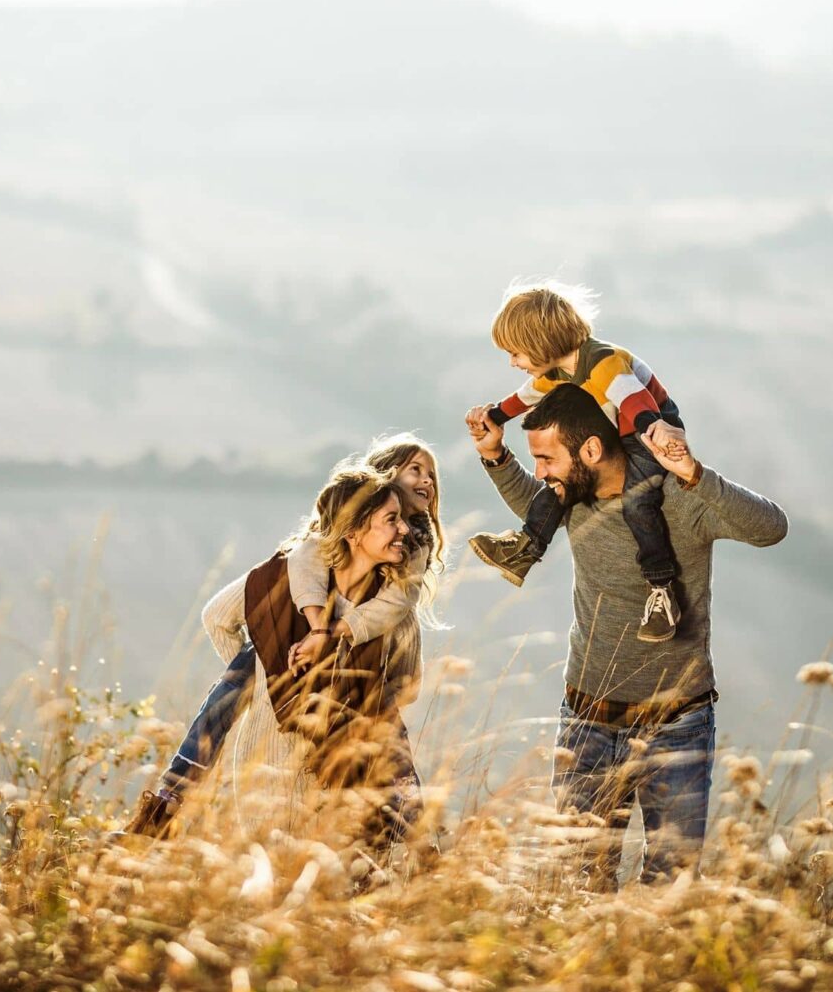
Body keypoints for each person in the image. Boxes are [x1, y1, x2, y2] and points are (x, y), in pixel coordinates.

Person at [467, 383, 787, 887]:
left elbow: (771, 528)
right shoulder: (573, 501)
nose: (543, 473)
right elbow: (532, 501)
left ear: (591, 450)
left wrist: (694, 474)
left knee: (669, 886)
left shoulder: (680, 505)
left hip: (676, 724)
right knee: (577, 883)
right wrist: (494, 455)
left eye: (547, 459)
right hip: (587, 719)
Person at [122, 444, 443, 849]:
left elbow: (406, 670)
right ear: (355, 527)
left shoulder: (399, 594)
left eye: (430, 475)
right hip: (277, 760)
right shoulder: (288, 573)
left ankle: (420, 845)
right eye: (390, 518)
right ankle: (171, 796)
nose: (426, 481)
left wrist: (325, 652)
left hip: (329, 768)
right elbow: (220, 616)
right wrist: (269, 673)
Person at [466, 282, 689, 642]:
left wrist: (658, 431)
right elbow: (523, 399)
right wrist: (494, 416)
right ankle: (526, 549)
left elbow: (635, 402)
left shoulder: (603, 363)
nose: (512, 362)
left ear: (541, 343)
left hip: (649, 432)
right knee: (561, 482)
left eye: (516, 353)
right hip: (613, 432)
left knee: (638, 502)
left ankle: (661, 589)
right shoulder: (556, 373)